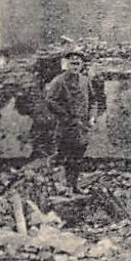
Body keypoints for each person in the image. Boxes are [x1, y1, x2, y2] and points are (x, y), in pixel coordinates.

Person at [43, 48, 94, 192]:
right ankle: (65, 186)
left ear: (82, 65)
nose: (75, 67)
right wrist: (64, 115)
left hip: (82, 126)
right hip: (67, 126)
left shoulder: (85, 81)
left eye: (78, 64)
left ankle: (74, 185)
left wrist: (92, 117)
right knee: (65, 156)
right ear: (67, 65)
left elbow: (93, 100)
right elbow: (50, 100)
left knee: (78, 157)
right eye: (72, 64)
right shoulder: (59, 81)